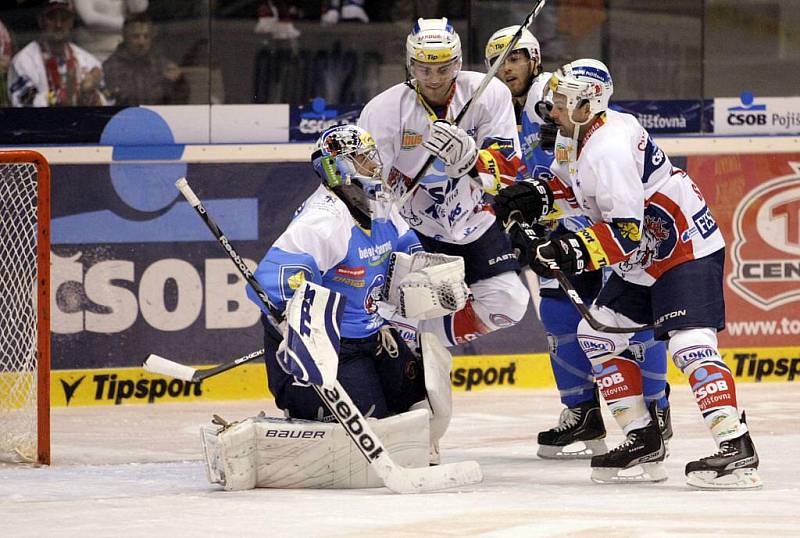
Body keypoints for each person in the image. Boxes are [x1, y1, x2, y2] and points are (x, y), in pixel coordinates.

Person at [494, 58, 761, 489]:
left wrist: (566, 251)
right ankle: (643, 437)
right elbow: (574, 191)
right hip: (644, 256)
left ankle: (737, 447)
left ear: (587, 104)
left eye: (560, 102)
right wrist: (535, 197)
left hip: (682, 247)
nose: (551, 111)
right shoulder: (578, 134)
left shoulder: (610, 147)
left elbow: (625, 234)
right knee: (599, 337)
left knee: (690, 343)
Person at [484, 26, 672, 459]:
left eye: (514, 58)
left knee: (625, 315)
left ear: (534, 60)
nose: (505, 68)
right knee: (558, 314)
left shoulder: (548, 94)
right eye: (497, 61)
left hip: (594, 223)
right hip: (557, 220)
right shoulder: (498, 111)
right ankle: (583, 412)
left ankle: (655, 409)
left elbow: (584, 126)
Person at [358, 18, 530, 347]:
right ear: (410, 65)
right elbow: (369, 186)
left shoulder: (489, 92)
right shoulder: (383, 111)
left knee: (510, 301)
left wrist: (470, 161)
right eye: (424, 69)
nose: (434, 79)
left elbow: (507, 170)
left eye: (444, 68)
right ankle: (405, 346)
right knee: (400, 306)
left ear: (459, 63)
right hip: (413, 225)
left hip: (472, 219)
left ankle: (424, 340)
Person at [8, 0, 110, 107]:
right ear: (41, 21)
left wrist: (89, 94)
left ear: (72, 22)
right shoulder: (22, 61)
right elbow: (26, 105)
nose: (58, 25)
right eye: (52, 18)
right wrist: (67, 95)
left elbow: (109, 105)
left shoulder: (89, 62)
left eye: (64, 18)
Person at [102, 13, 188, 105]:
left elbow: (180, 103)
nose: (141, 42)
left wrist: (179, 82)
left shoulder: (162, 66)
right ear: (125, 37)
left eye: (146, 37)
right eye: (136, 37)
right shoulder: (109, 68)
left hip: (157, 117)